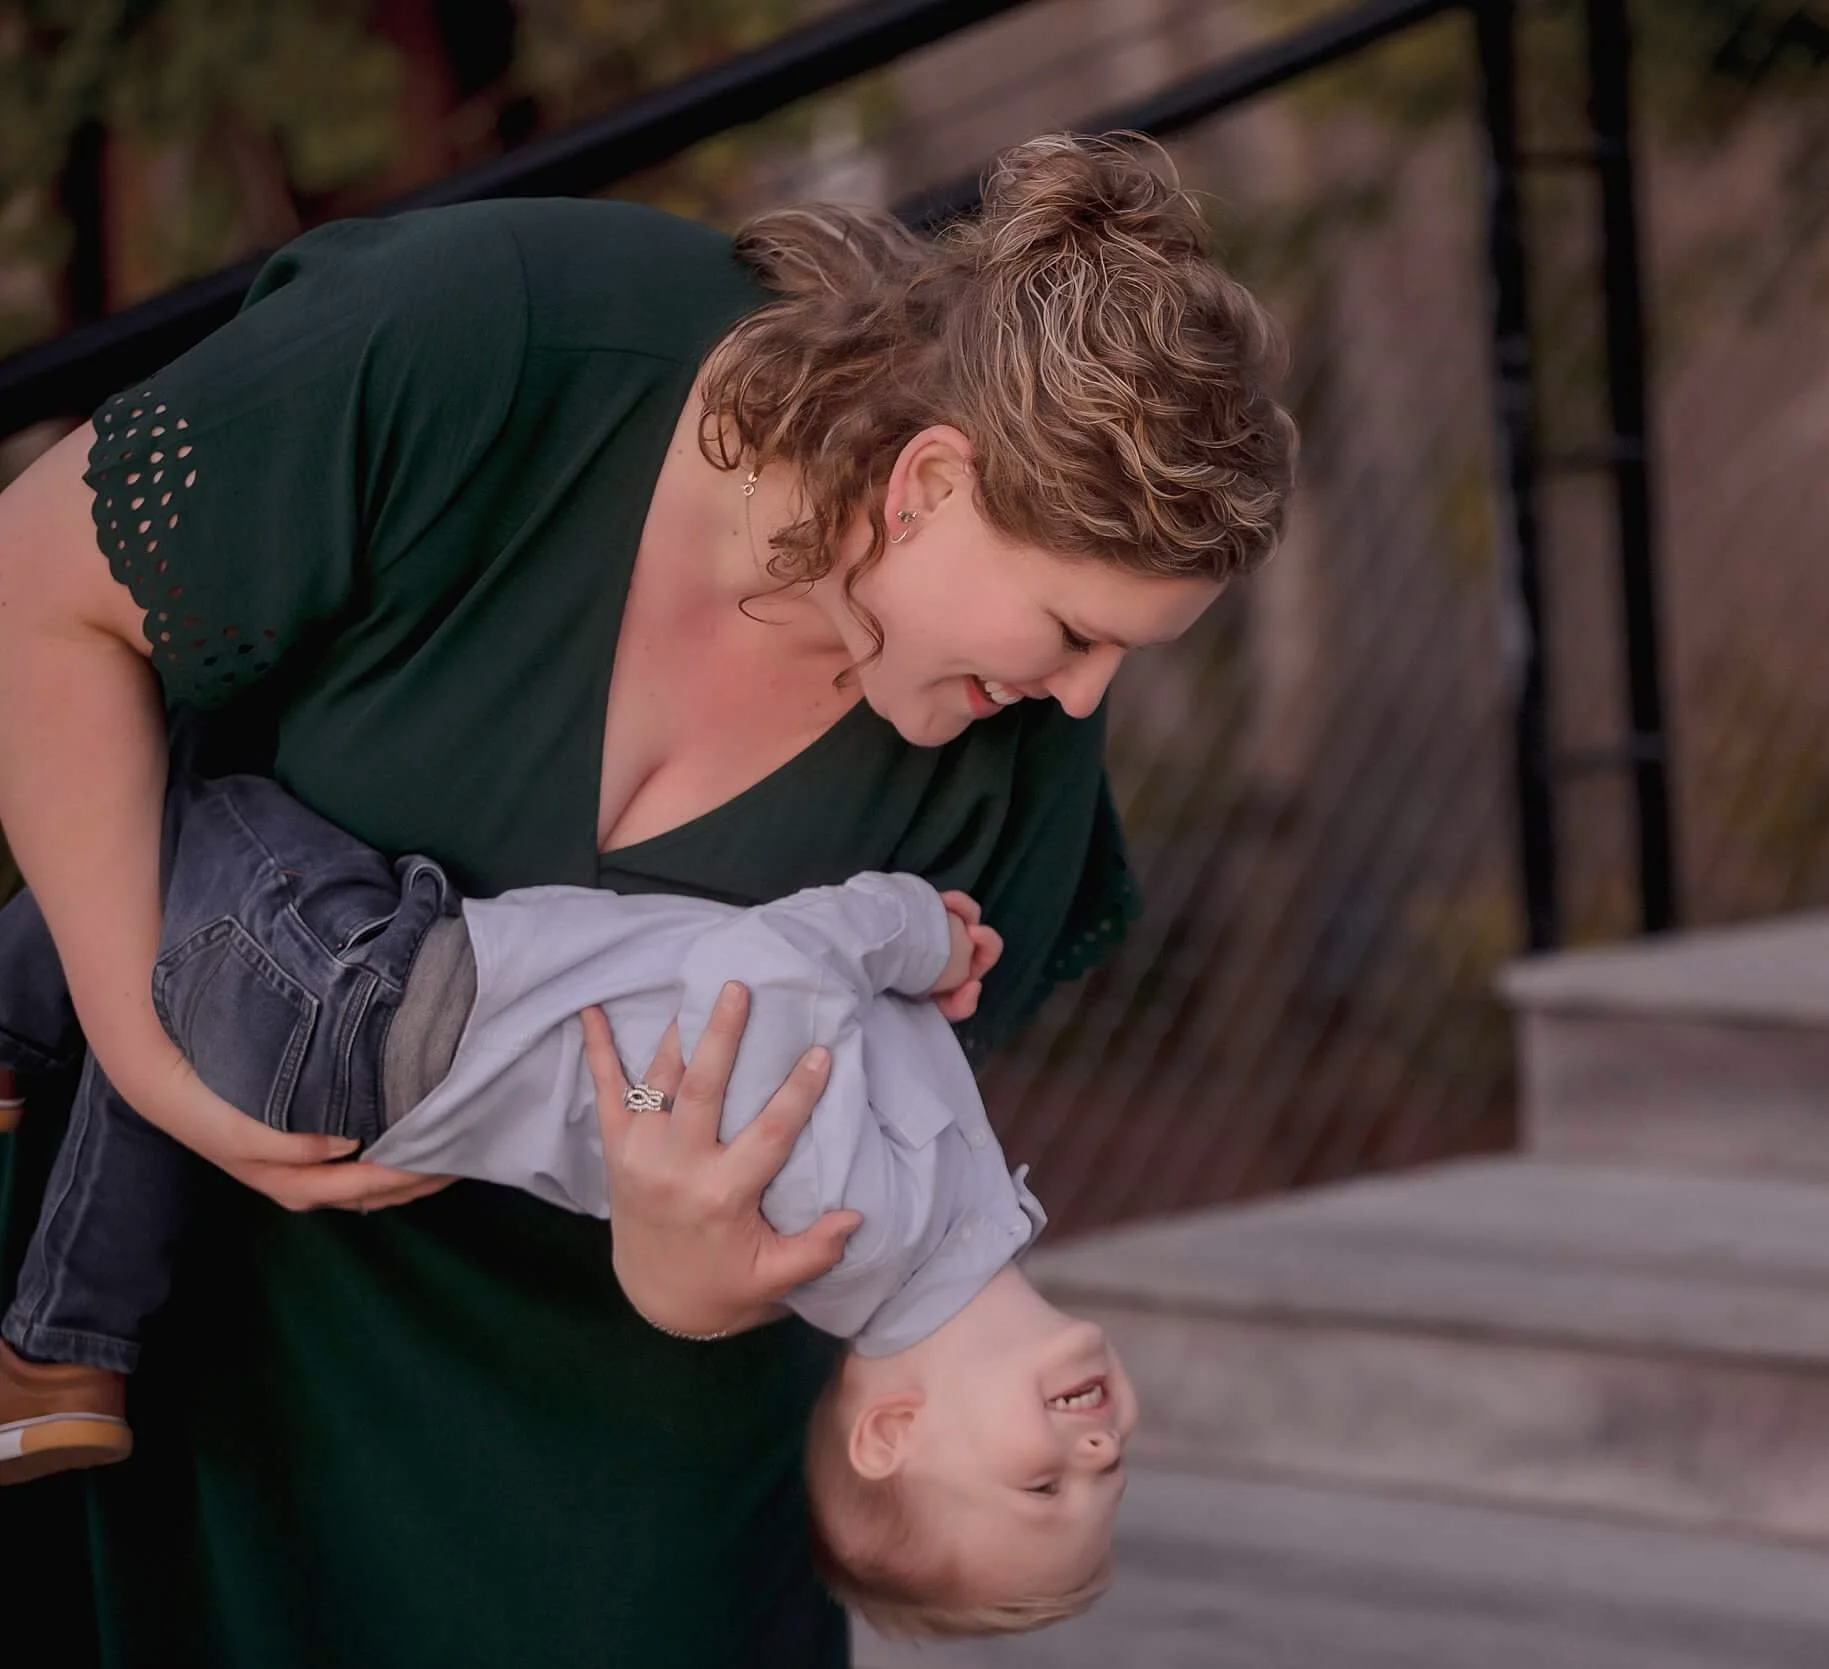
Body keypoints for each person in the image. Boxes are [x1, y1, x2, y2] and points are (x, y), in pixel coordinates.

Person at [0, 131, 1291, 1665]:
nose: (1083, 705)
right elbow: (39, 596)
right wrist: (146, 1049)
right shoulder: (490, 340)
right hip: (217, 1382)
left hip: (629, 1530)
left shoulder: (1003, 763)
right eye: (1076, 629)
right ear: (932, 478)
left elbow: (869, 1197)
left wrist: (700, 1285)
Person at [0, 769, 1139, 1640]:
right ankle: (58, 1332)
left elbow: (767, 966)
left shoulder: (852, 1220)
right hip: (367, 1029)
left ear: (891, 1433)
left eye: (1044, 1481)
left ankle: (32, 1150)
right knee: (154, 928)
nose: (1095, 1443)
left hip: (370, 1004)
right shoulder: (942, 1218)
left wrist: (917, 929)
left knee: (163, 797)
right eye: (1106, 1473)